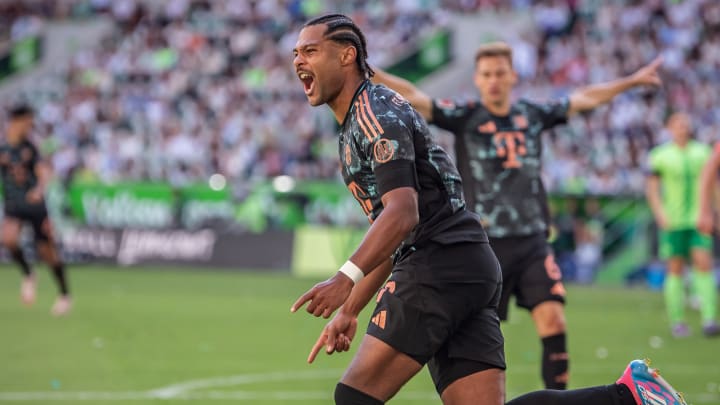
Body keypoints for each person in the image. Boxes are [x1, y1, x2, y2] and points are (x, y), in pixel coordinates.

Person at [290, 13, 686, 405]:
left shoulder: (374, 112)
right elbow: (391, 231)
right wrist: (352, 307)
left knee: (353, 397)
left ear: (347, 55)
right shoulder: (360, 123)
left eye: (310, 50)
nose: (297, 61)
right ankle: (629, 396)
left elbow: (403, 214)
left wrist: (344, 279)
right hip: (469, 260)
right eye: (295, 53)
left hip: (439, 263)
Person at [371, 41, 663, 389]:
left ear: (513, 76)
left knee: (554, 321)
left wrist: (630, 81)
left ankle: (557, 398)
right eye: (486, 75)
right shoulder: (465, 116)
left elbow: (584, 98)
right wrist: (368, 70)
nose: (493, 80)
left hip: (532, 242)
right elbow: (415, 96)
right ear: (478, 81)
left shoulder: (532, 114)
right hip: (483, 245)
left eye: (499, 73)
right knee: (475, 331)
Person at [649, 112, 720, 338]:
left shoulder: (703, 152)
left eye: (685, 124)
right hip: (674, 220)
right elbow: (652, 188)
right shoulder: (660, 155)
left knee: (704, 264)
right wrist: (660, 213)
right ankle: (677, 321)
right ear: (670, 128)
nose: (683, 128)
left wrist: (714, 211)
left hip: (698, 218)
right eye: (678, 124)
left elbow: (713, 184)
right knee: (675, 268)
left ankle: (709, 319)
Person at [1, 105, 71, 316]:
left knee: (48, 254)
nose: (30, 127)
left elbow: (43, 172)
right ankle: (29, 274)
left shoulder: (30, 148)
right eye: (28, 122)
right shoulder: (3, 149)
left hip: (35, 207)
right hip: (14, 204)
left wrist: (39, 189)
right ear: (17, 122)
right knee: (8, 239)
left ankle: (64, 294)